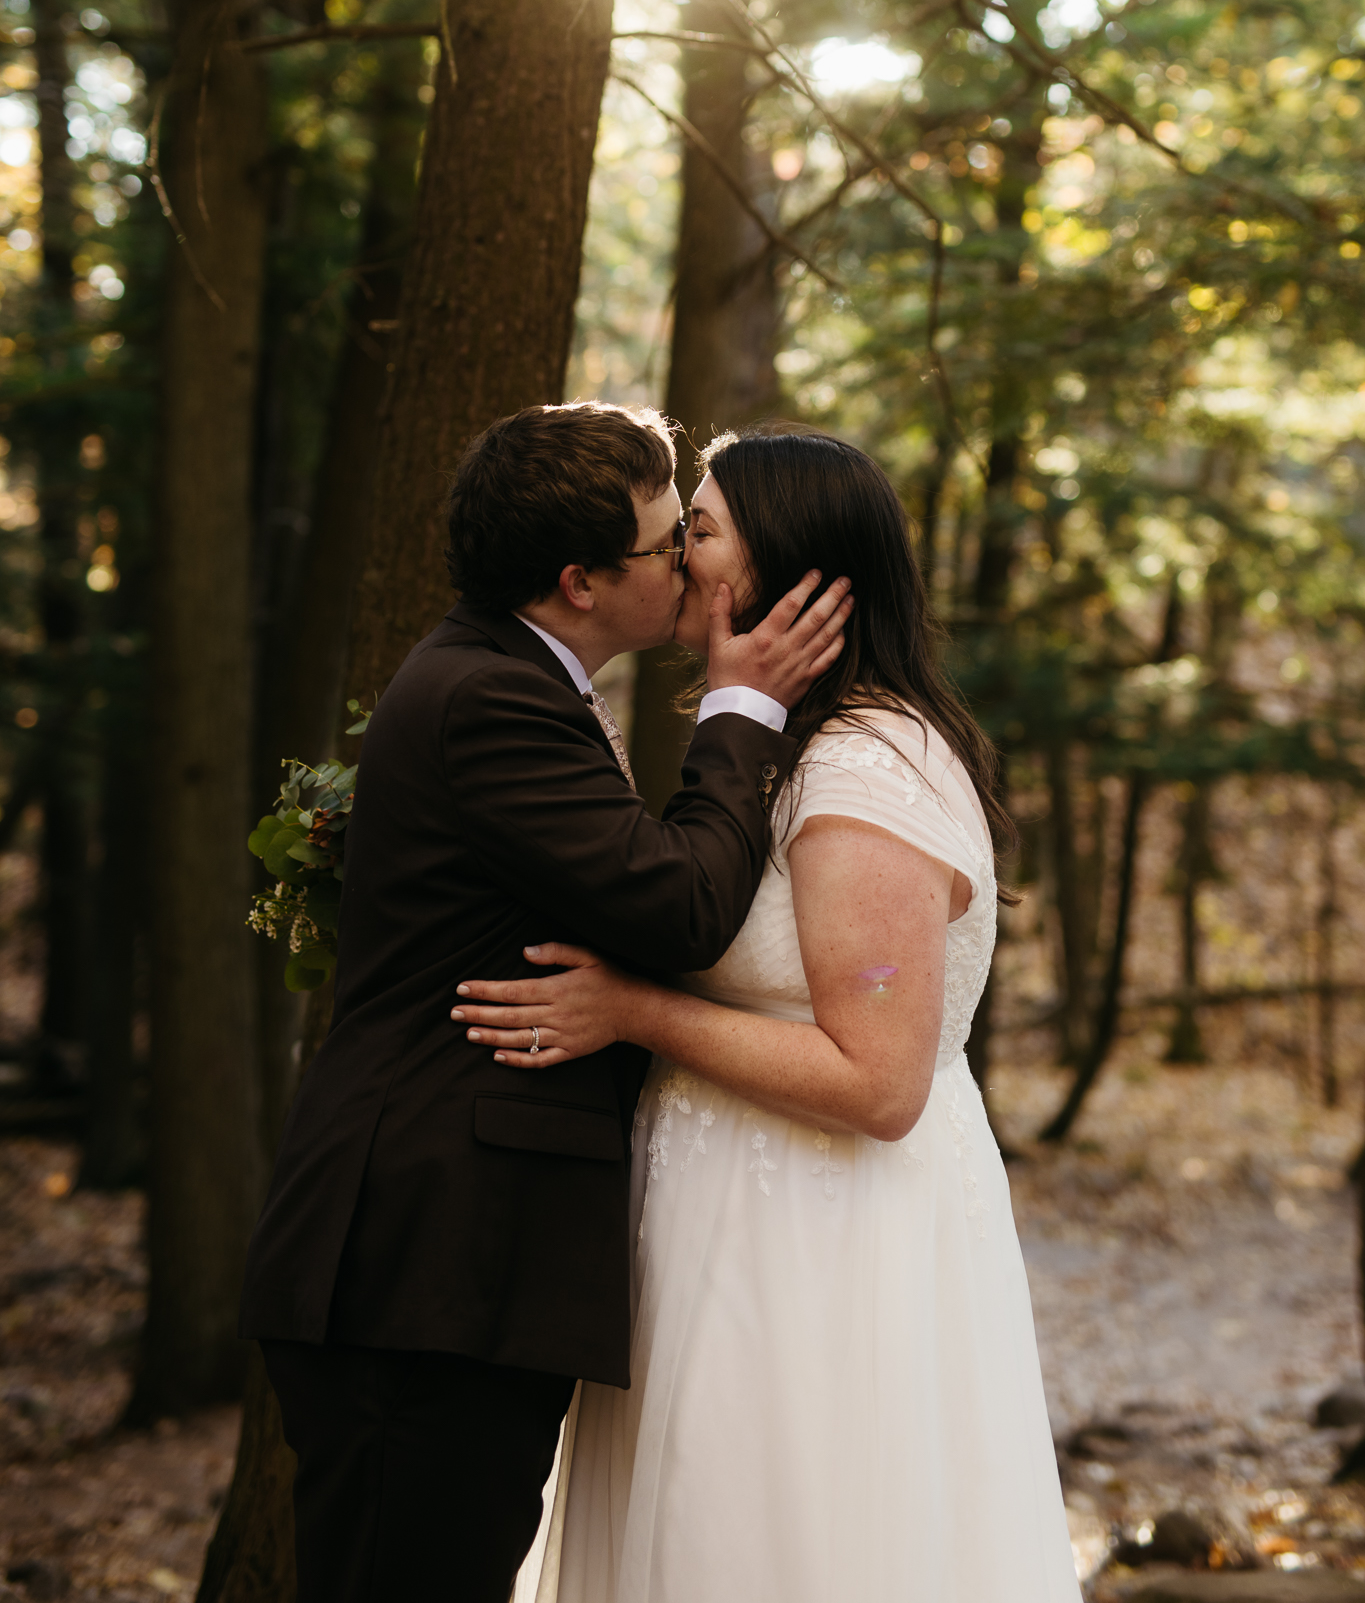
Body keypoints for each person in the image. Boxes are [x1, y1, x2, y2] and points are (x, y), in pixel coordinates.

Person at [238, 401, 853, 1603]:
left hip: (447, 1265)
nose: (688, 561)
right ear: (580, 579)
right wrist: (741, 708)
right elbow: (677, 906)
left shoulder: (512, 677)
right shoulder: (492, 696)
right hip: (421, 1264)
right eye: (670, 540)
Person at [454, 429, 1083, 1603]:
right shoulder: (785, 752)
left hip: (820, 1239)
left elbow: (880, 1082)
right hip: (725, 1219)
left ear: (787, 568)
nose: (676, 553)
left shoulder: (864, 773)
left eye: (701, 527)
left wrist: (634, 1011)